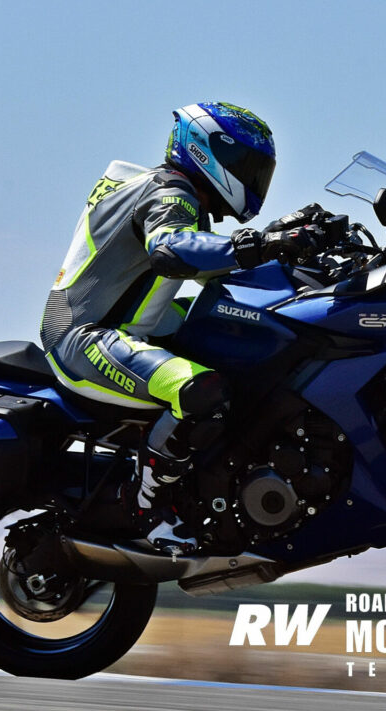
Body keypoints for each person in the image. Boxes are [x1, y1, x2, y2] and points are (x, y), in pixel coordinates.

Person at [39, 102, 328, 555]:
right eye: (246, 166)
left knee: (236, 339)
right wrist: (267, 242)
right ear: (208, 151)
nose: (253, 179)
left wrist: (287, 239)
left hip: (129, 327)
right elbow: (171, 249)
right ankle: (146, 506)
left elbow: (212, 258)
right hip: (89, 336)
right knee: (201, 393)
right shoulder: (169, 192)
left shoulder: (177, 195)